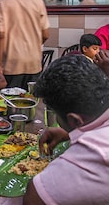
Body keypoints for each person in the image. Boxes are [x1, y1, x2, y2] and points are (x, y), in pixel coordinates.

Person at [23, 55, 109, 205]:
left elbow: (35, 196)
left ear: (75, 120)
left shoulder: (89, 157)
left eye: (54, 113)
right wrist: (70, 133)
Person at [0, 0, 50, 90]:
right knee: (31, 103)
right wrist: (33, 46)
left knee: (11, 103)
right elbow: (46, 34)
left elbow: (1, 36)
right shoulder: (38, 1)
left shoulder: (1, 3)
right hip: (34, 64)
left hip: (11, 65)